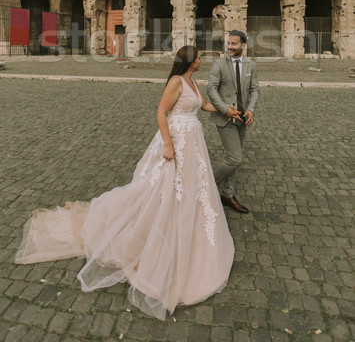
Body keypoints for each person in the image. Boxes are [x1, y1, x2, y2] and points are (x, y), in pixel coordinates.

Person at [15, 46, 234, 321]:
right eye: (200, 57)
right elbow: (161, 113)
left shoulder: (193, 82)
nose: (203, 60)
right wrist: (168, 144)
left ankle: (190, 227)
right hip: (176, 141)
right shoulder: (176, 82)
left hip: (193, 143)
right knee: (160, 189)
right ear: (190, 62)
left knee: (193, 188)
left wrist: (228, 111)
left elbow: (203, 106)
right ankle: (152, 229)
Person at [207, 30, 259, 214]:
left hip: (243, 119)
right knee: (235, 158)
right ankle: (208, 185)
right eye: (228, 43)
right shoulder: (219, 64)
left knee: (233, 159)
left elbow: (254, 90)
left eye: (234, 44)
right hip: (225, 118)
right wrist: (225, 109)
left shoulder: (251, 65)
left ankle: (227, 195)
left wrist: (251, 109)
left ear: (243, 46)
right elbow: (211, 89)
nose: (229, 46)